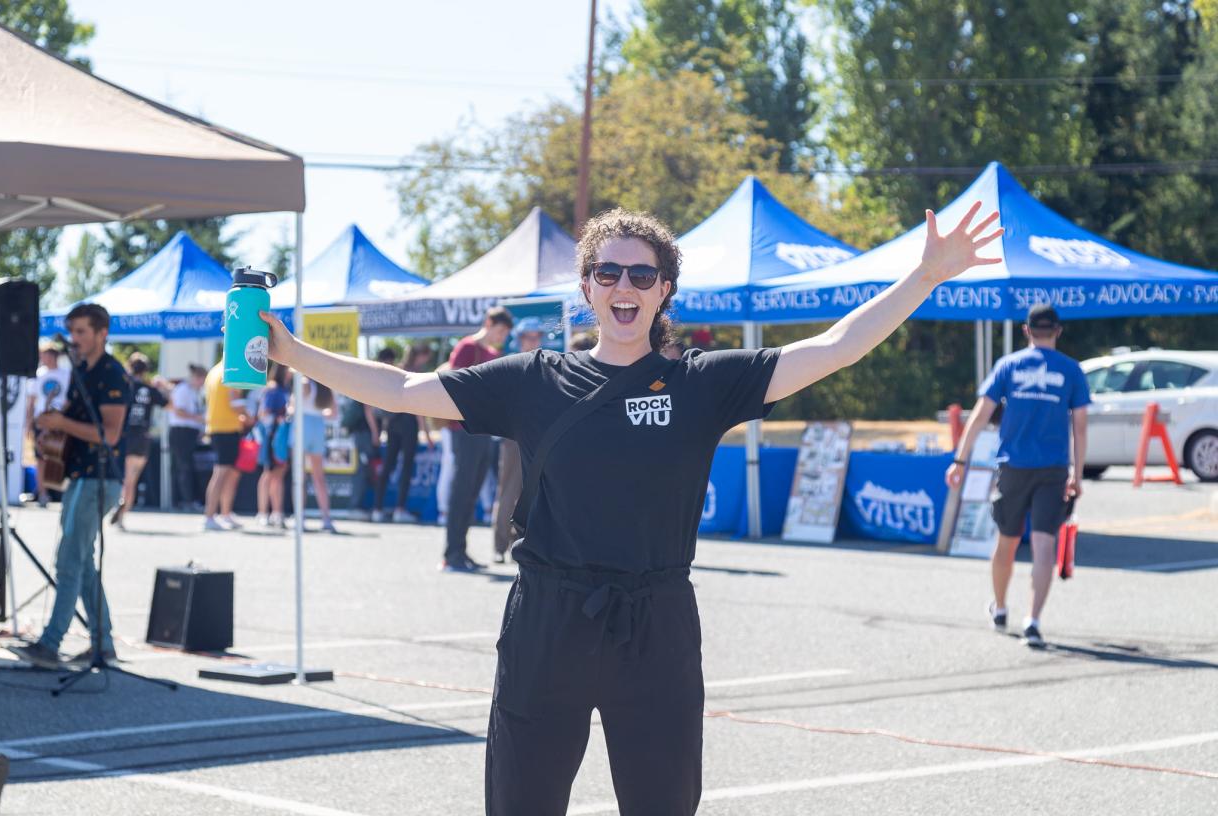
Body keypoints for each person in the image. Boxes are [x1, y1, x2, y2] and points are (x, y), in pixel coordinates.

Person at [257, 203, 1000, 815]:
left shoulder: (702, 383)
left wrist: (925, 276)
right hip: (548, 619)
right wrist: (293, 355)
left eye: (642, 274)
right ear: (586, 287)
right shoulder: (533, 380)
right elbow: (400, 390)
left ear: (664, 290)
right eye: (607, 271)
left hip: (657, 624)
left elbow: (836, 346)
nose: (624, 286)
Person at [947, 304, 1089, 648]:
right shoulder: (1071, 370)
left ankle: (1000, 609)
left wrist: (960, 460)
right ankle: (1033, 621)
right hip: (1053, 468)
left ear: (1026, 331)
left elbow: (980, 415)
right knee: (1044, 544)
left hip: (1013, 467)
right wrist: (1078, 474)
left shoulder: (1008, 365)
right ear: (1058, 331)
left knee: (1007, 541)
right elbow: (1081, 427)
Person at [10, 303, 128, 668]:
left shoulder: (112, 373)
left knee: (69, 561)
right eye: (72, 331)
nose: (74, 339)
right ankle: (103, 644)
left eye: (81, 332)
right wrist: (53, 423)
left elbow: (110, 434)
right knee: (82, 563)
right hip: (80, 475)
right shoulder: (81, 371)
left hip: (99, 477)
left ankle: (51, 644)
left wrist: (62, 424)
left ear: (102, 333)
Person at [442, 306, 513, 572]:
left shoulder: (494, 354)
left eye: (505, 333)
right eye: (500, 331)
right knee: (462, 491)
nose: (501, 337)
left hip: (483, 432)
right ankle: (451, 554)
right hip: (463, 430)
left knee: (472, 493)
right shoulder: (467, 347)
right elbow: (452, 386)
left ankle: (461, 551)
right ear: (489, 323)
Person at [490, 318, 545, 563]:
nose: (533, 340)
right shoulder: (511, 364)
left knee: (533, 495)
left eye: (537, 336)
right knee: (508, 492)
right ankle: (499, 545)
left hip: (540, 438)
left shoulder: (547, 364)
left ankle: (520, 544)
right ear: (520, 339)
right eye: (529, 336)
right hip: (513, 438)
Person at [372, 345, 432, 523]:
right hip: (408, 424)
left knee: (388, 466)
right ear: (420, 356)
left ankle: (377, 508)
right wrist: (426, 433)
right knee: (406, 467)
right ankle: (399, 509)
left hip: (392, 423)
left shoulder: (397, 370)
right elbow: (419, 408)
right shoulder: (417, 374)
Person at [111, 352, 169, 531]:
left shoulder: (125, 386)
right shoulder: (149, 389)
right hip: (142, 437)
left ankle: (120, 508)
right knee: (132, 479)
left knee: (125, 478)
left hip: (126, 435)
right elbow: (169, 404)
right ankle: (123, 512)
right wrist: (164, 386)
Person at [203, 360, 248, 531]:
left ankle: (225, 513)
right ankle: (209, 516)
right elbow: (235, 404)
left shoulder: (214, 371)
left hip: (218, 428)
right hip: (226, 429)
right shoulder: (232, 370)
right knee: (221, 473)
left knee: (228, 474)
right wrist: (249, 415)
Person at [26, 340, 70, 506]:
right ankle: (42, 493)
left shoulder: (66, 374)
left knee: (60, 456)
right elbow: (31, 402)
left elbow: (70, 399)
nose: (43, 359)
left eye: (45, 355)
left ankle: (59, 491)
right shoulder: (38, 374)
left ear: (53, 356)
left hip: (60, 420)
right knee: (41, 457)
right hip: (42, 420)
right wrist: (29, 423)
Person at [254, 364, 291, 528]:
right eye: (289, 370)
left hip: (283, 438)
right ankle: (262, 513)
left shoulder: (285, 389)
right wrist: (279, 419)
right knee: (268, 474)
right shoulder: (272, 389)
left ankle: (277, 512)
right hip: (272, 437)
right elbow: (264, 413)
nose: (291, 374)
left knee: (279, 475)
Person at [167, 364, 206, 511]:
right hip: (181, 432)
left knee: (186, 466)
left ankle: (188, 499)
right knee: (183, 466)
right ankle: (185, 500)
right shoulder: (183, 389)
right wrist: (198, 418)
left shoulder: (194, 391)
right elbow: (178, 411)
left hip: (189, 432)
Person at [301, 377, 337, 532]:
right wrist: (318, 413)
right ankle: (326, 518)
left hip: (303, 426)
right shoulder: (325, 385)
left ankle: (300, 518)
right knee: (319, 477)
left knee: (300, 477)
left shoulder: (304, 382)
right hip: (318, 427)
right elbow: (333, 413)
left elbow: (293, 406)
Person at [340, 388, 379, 521]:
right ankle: (355, 506)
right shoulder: (365, 387)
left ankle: (357, 505)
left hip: (359, 434)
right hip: (363, 435)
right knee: (361, 470)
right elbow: (368, 409)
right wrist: (375, 432)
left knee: (363, 469)